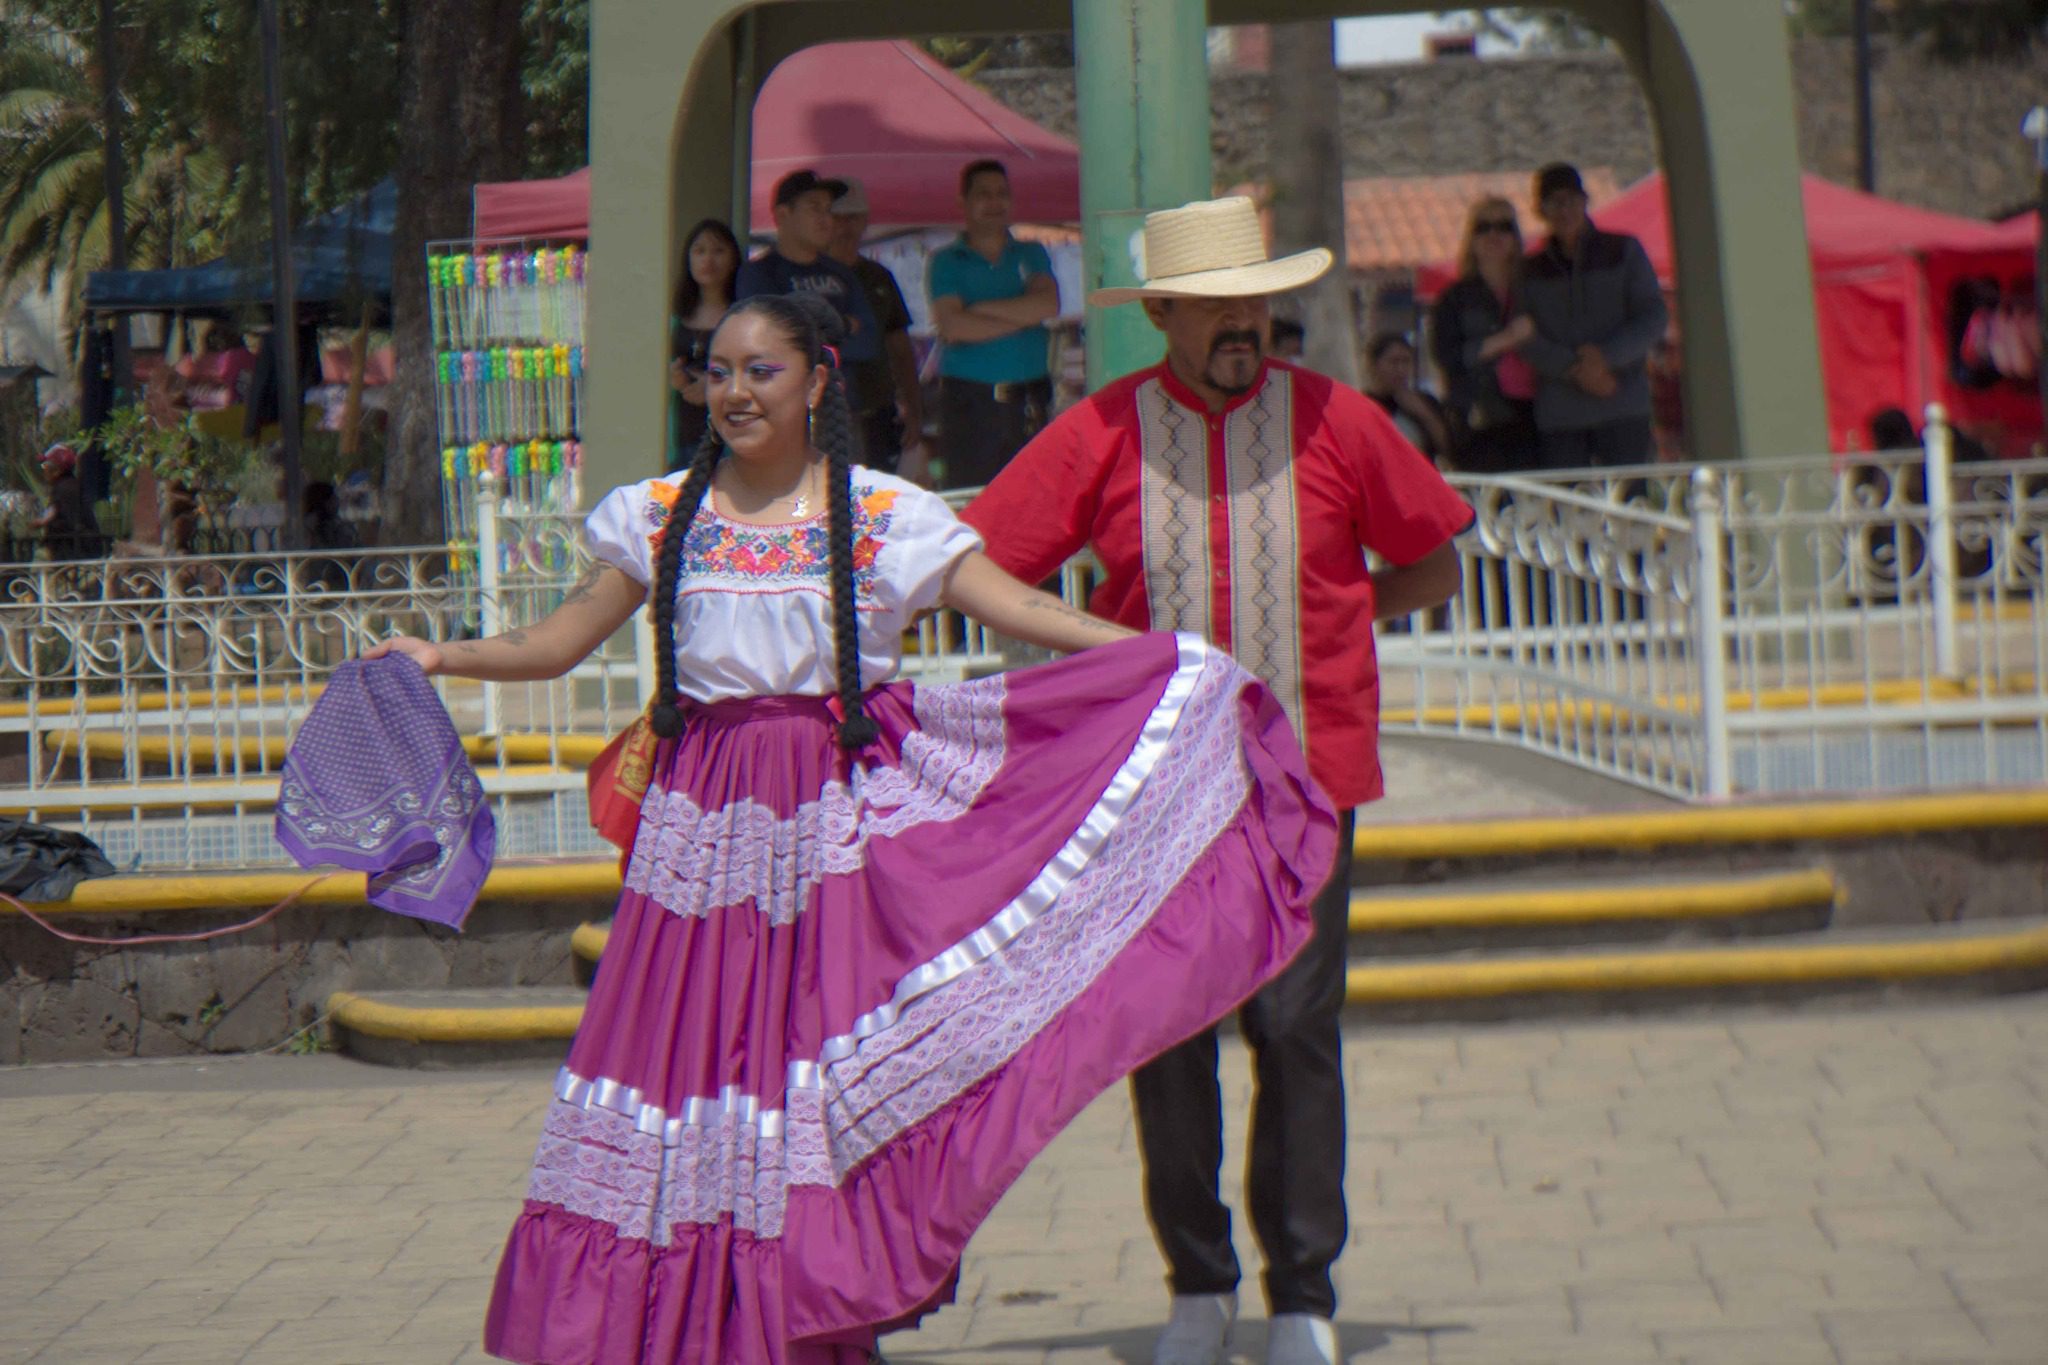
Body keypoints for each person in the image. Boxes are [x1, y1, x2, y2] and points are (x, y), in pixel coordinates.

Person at [365, 291, 1337, 1365]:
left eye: (760, 370)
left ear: (819, 380)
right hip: (699, 841)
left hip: (830, 829)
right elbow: (556, 642)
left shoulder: (881, 517)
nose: (733, 389)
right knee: (690, 1068)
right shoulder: (658, 512)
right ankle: (674, 1322)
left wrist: (1151, 658)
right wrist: (441, 658)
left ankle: (802, 1311)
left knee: (812, 1069)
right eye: (716, 368)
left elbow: (1013, 605)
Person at [961, 196, 1473, 1365]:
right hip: (1154, 792)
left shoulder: (1338, 419)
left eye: (1254, 301)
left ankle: (1303, 1297)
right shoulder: (1100, 430)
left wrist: (1346, 612)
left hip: (1306, 779)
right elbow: (983, 565)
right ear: (1162, 317)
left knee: (1296, 1031)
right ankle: (1197, 1283)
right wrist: (1095, 657)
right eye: (1215, 306)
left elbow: (1433, 561)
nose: (1243, 322)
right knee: (1166, 1035)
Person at [1518, 163, 1669, 469]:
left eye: (1571, 200)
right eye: (1554, 202)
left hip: (1622, 403)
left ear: (1585, 202)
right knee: (1567, 510)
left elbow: (1653, 316)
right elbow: (1523, 336)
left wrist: (1606, 358)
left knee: (1628, 508)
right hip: (1561, 416)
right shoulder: (1528, 270)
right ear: (1540, 210)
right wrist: (1573, 368)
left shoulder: (1623, 251)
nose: (1564, 210)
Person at [926, 159, 1059, 489]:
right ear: (964, 202)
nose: (994, 202)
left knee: (1035, 495)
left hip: (1030, 395)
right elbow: (953, 326)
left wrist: (981, 310)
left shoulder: (1030, 252)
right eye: (984, 194)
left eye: (1002, 193)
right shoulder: (945, 260)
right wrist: (1023, 316)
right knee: (973, 501)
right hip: (971, 400)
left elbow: (1048, 303)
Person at [735, 170, 885, 458]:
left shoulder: (843, 275)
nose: (825, 218)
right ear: (782, 214)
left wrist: (809, 332)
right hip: (778, 416)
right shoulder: (759, 275)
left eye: (829, 210)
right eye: (814, 208)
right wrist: (841, 327)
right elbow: (768, 344)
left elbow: (868, 341)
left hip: (841, 415)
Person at [1429, 196, 1540, 473]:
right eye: (1483, 227)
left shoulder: (1535, 291)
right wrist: (1504, 340)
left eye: (1504, 226)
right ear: (1472, 238)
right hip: (1480, 416)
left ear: (1516, 237)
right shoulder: (1454, 298)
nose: (1494, 234)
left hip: (1537, 413)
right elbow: (1447, 357)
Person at [826, 177, 925, 478]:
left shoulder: (879, 276)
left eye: (854, 217)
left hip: (878, 411)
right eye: (838, 217)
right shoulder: (810, 275)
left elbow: (900, 346)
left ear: (866, 221)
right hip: (825, 415)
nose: (846, 226)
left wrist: (914, 407)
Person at [669, 218, 742, 465]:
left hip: (730, 432)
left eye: (718, 251)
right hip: (682, 430)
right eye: (699, 251)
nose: (708, 260)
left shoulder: (744, 314)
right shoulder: (675, 314)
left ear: (733, 259)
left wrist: (711, 387)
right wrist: (676, 378)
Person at [1362, 333, 1452, 466]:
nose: (1401, 369)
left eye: (1406, 362)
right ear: (1374, 365)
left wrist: (1425, 415)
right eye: (1393, 362)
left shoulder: (1424, 401)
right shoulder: (1363, 404)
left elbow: (1447, 449)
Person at [32, 443, 101, 562]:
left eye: (45, 467)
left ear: (56, 471)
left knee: (39, 560)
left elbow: (54, 511)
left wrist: (42, 522)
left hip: (73, 549)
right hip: (79, 547)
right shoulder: (71, 485)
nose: (44, 472)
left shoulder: (64, 488)